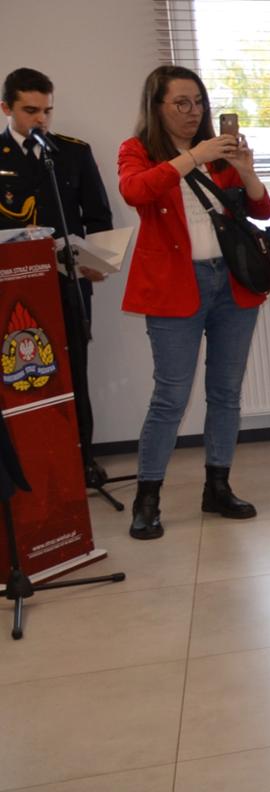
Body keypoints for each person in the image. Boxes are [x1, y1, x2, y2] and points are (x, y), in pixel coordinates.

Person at [115, 65, 270, 540]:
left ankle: (217, 487)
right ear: (156, 106)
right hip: (173, 287)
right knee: (170, 396)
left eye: (198, 102)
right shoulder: (137, 151)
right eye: (180, 103)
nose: (192, 112)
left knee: (226, 393)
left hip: (232, 284)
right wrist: (192, 157)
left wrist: (244, 170)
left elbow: (261, 209)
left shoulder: (218, 154)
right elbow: (135, 191)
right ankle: (148, 499)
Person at [0, 68, 113, 487]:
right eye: (30, 111)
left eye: (47, 110)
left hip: (68, 282)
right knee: (21, 376)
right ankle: (25, 465)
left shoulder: (71, 153)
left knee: (74, 370)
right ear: (6, 108)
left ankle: (83, 458)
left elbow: (98, 217)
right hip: (12, 289)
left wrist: (95, 259)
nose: (41, 120)